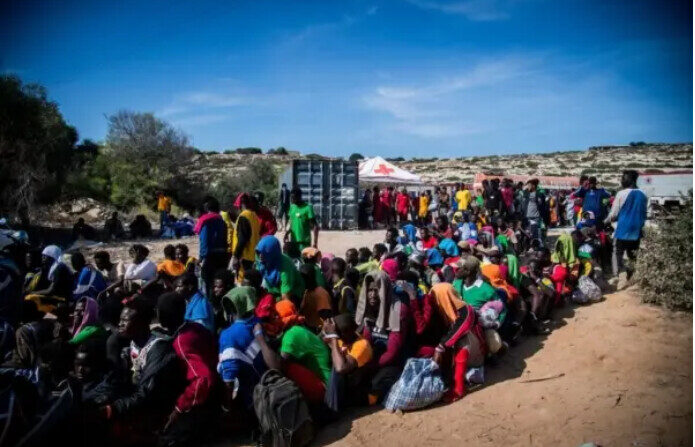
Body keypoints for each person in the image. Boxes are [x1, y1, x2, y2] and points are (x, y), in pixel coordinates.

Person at [98, 298, 183, 438]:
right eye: (120, 320)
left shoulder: (158, 348)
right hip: (135, 401)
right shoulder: (131, 343)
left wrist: (112, 408)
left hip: (155, 410)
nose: (120, 324)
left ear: (142, 323)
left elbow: (147, 392)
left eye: (126, 321)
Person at [157, 292, 218, 446]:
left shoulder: (181, 341)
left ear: (164, 316)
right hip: (216, 389)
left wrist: (179, 408)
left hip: (203, 402)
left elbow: (202, 379)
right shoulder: (194, 327)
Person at [218, 286, 271, 412]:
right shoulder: (258, 322)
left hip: (250, 398)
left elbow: (229, 380)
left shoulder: (228, 336)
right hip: (267, 385)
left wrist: (227, 407)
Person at [321, 314, 374, 410]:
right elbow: (323, 338)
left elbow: (341, 368)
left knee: (337, 367)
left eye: (337, 334)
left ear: (344, 334)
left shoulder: (362, 346)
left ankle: (331, 409)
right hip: (348, 387)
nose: (338, 338)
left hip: (359, 391)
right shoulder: (347, 338)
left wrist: (333, 338)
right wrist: (326, 330)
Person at [604, 170, 647, 286]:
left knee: (616, 252)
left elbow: (613, 214)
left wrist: (605, 222)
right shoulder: (644, 194)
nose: (621, 180)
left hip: (623, 229)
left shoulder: (621, 194)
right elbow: (646, 213)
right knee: (633, 254)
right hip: (637, 230)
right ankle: (631, 276)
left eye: (623, 178)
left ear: (630, 180)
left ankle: (615, 275)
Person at [256, 235, 305, 305]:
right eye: (258, 252)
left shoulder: (285, 266)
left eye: (264, 253)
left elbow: (286, 297)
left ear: (271, 252)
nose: (260, 256)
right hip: (274, 292)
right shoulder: (262, 262)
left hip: (293, 293)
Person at [25, 245, 74, 313]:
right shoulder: (57, 267)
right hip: (58, 297)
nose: (43, 258)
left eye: (45, 256)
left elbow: (50, 291)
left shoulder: (59, 268)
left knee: (30, 298)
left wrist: (32, 293)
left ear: (52, 257)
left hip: (62, 299)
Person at [195, 196, 228, 297]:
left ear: (206, 208)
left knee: (208, 284)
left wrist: (201, 258)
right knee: (219, 284)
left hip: (210, 257)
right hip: (222, 256)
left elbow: (204, 241)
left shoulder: (205, 221)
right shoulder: (222, 221)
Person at [298, 263, 333, 332]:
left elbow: (326, 318)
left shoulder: (320, 293)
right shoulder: (307, 292)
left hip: (319, 330)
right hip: (309, 329)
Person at [521, 179, 548, 247]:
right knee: (527, 233)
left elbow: (543, 207)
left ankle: (536, 247)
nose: (528, 186)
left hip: (536, 217)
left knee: (535, 234)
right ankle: (527, 247)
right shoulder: (525, 193)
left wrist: (544, 218)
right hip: (526, 217)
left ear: (533, 186)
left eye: (529, 185)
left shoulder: (539, 194)